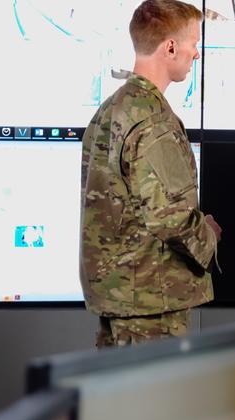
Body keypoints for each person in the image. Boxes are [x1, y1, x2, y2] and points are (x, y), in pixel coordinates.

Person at [80, 0, 221, 348]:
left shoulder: (111, 109)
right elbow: (169, 217)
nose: (196, 54)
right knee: (155, 402)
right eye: (194, 43)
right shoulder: (154, 120)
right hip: (151, 300)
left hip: (121, 296)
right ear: (170, 47)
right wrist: (209, 236)